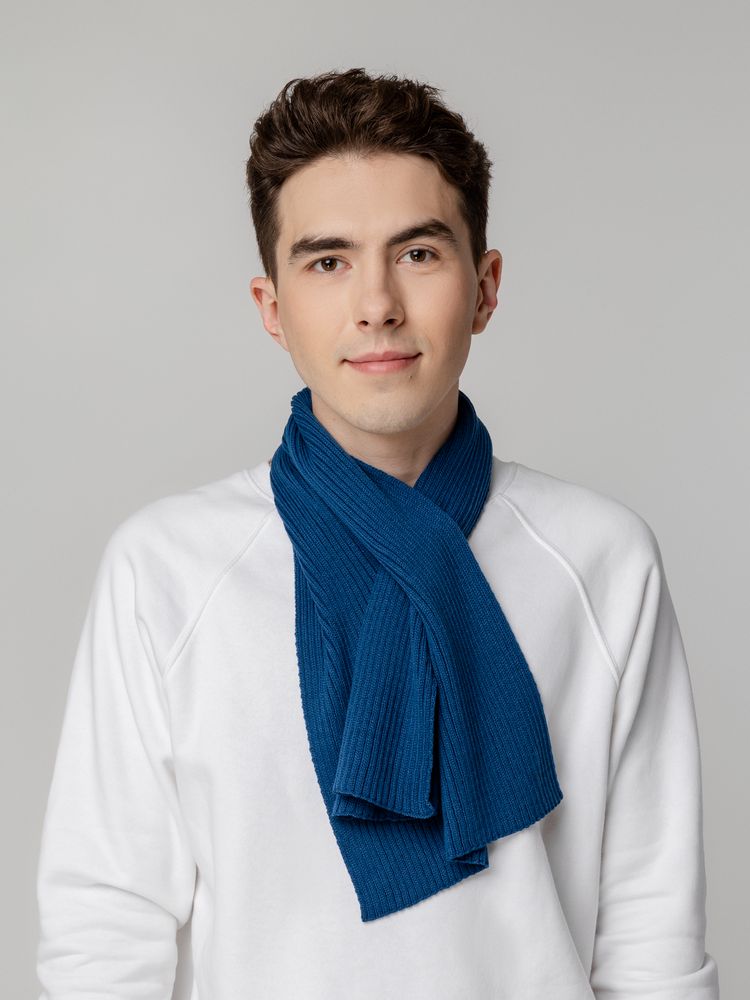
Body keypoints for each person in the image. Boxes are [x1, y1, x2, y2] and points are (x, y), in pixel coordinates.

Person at [36, 67, 720, 999]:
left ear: (485, 288)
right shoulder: (167, 570)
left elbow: (652, 938)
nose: (377, 304)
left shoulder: (601, 560)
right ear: (272, 308)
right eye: (327, 262)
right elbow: (103, 933)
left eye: (419, 253)